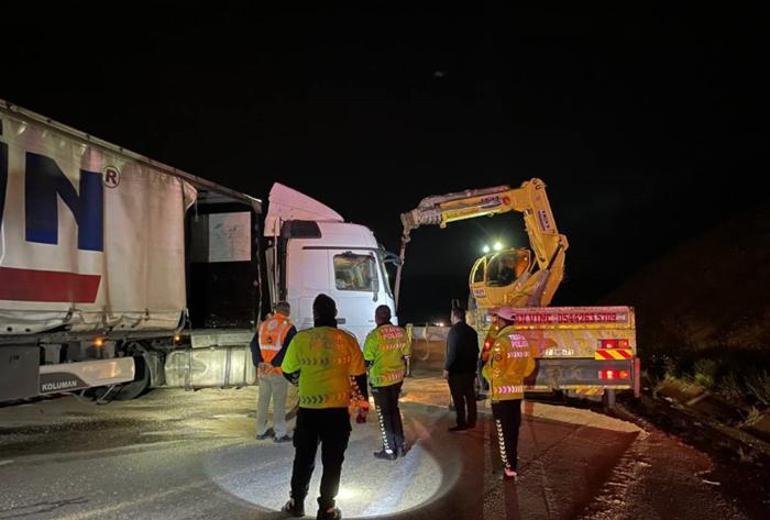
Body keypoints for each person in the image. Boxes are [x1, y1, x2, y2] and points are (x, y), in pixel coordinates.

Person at [280, 294, 368, 520]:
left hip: (309, 412)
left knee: (303, 458)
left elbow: (288, 370)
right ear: (335, 313)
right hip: (337, 412)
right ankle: (327, 508)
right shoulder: (347, 339)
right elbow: (359, 376)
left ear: (315, 314)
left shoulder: (301, 339)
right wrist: (362, 405)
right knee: (333, 462)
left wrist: (299, 381)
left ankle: (296, 503)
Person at [482, 307, 536, 481]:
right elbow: (529, 368)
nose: (496, 323)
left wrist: (485, 371)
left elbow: (495, 372)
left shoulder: (501, 343)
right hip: (516, 394)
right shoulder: (522, 340)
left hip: (501, 396)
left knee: (503, 435)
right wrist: (515, 375)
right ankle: (512, 464)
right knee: (513, 432)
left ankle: (508, 469)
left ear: (503, 321)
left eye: (497, 320)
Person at [363, 305, 410, 460]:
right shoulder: (401, 332)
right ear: (389, 316)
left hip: (380, 381)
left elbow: (368, 361)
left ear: (377, 317)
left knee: (384, 415)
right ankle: (401, 445)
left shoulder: (374, 336)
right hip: (397, 379)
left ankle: (389, 450)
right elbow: (406, 354)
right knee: (394, 410)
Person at [251, 301, 295, 442]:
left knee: (262, 401)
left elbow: (253, 344)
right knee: (279, 403)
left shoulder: (264, 325)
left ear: (276, 311)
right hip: (277, 372)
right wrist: (274, 364)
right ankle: (280, 433)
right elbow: (288, 350)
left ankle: (260, 431)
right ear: (287, 312)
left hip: (263, 371)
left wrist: (259, 362)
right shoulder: (288, 328)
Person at [444, 308, 479, 431]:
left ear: (455, 316)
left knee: (458, 399)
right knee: (470, 397)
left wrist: (446, 368)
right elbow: (476, 351)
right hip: (470, 371)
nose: (450, 318)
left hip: (457, 372)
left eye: (451, 316)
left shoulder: (454, 331)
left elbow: (452, 353)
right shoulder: (472, 331)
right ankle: (472, 421)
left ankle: (461, 423)